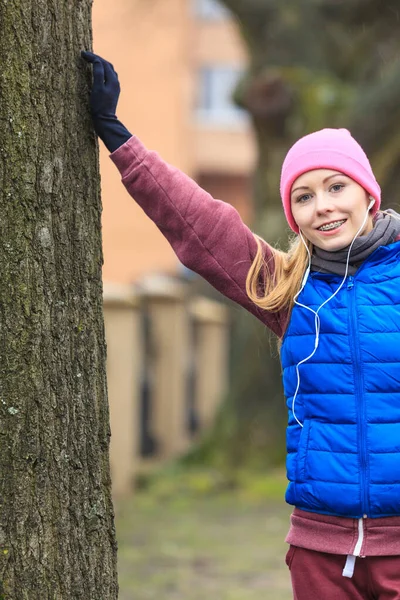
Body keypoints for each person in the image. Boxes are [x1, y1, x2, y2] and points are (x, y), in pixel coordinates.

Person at [81, 51, 400, 600]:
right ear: (292, 213)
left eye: (336, 187)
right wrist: (119, 137)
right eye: (304, 196)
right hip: (321, 550)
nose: (322, 207)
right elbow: (202, 226)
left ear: (368, 194)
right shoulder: (288, 289)